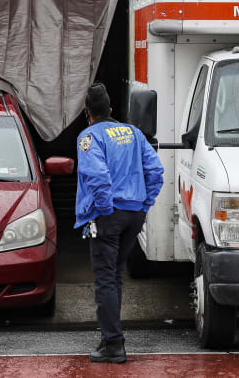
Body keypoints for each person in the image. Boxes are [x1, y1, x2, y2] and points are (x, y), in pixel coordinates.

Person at [75, 83, 164, 363]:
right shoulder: (134, 133)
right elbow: (156, 172)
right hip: (134, 215)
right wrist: (144, 204)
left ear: (87, 112)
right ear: (111, 109)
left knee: (105, 279)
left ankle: (113, 343)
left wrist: (104, 211)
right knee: (114, 276)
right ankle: (110, 336)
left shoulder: (88, 137)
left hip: (109, 215)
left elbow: (98, 177)